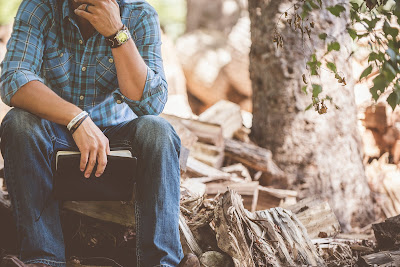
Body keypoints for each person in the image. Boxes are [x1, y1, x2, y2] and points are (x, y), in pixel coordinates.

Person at [0, 0, 200, 266]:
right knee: (18, 122)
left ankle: (162, 262)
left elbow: (151, 104)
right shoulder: (39, 7)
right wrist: (76, 118)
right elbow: (13, 79)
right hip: (54, 139)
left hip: (117, 145)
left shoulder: (140, 14)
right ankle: (44, 259)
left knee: (158, 130)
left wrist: (117, 33)